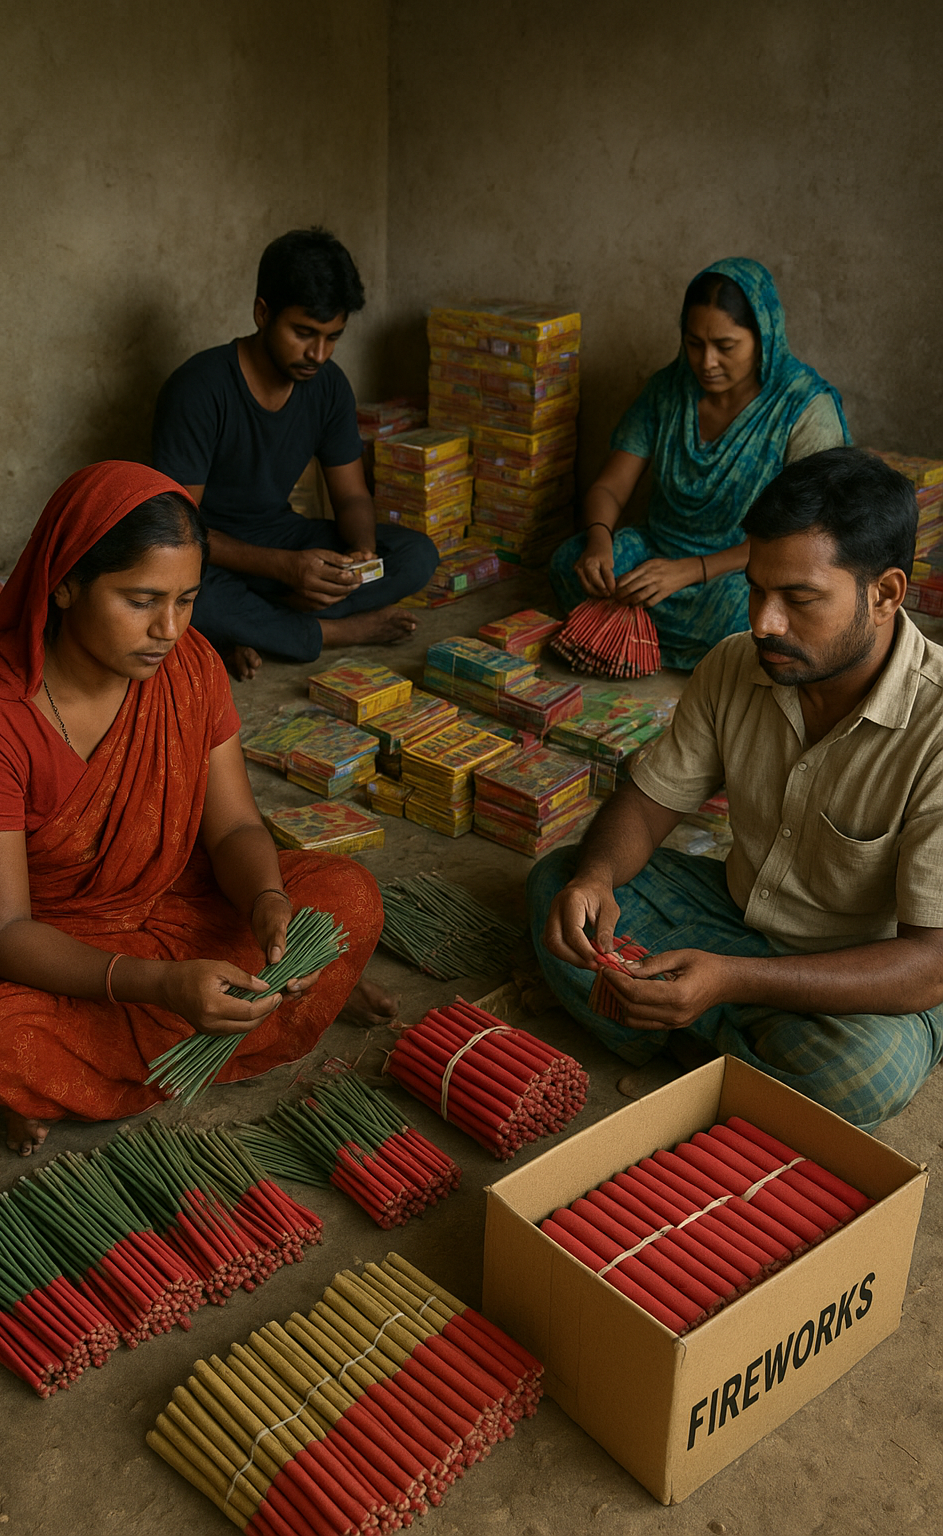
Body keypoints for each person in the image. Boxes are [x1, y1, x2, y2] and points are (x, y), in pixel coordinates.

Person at [0, 461, 396, 1156]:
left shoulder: (191, 666)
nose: (168, 629)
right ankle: (50, 1074)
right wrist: (163, 985)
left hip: (173, 902)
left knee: (345, 897)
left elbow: (233, 825)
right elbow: (1, 931)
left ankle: (81, 1081)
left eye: (187, 600)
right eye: (140, 600)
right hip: (46, 947)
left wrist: (267, 901)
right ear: (64, 586)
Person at [530, 447, 943, 1131]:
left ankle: (689, 1028)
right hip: (734, 916)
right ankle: (736, 1056)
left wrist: (726, 980)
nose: (763, 622)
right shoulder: (735, 664)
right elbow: (647, 802)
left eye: (799, 598)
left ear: (886, 594)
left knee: (866, 1076)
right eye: (756, 587)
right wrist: (598, 877)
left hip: (864, 970)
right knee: (558, 889)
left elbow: (928, 966)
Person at [152, 227, 439, 679]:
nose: (318, 353)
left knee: (416, 555)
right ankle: (333, 632)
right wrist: (285, 568)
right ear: (263, 313)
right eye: (303, 332)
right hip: (206, 552)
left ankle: (270, 621)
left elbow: (350, 497)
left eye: (333, 336)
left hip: (281, 537)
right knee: (174, 593)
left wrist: (360, 556)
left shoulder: (328, 387)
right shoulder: (199, 389)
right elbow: (177, 526)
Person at [550, 257, 850, 671]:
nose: (706, 362)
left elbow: (806, 536)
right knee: (571, 564)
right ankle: (646, 634)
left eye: (725, 347)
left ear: (764, 337)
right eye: (694, 344)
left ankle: (637, 634)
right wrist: (599, 542)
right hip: (658, 551)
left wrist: (692, 570)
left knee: (743, 619)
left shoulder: (804, 407)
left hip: (745, 567)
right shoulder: (668, 389)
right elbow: (610, 487)